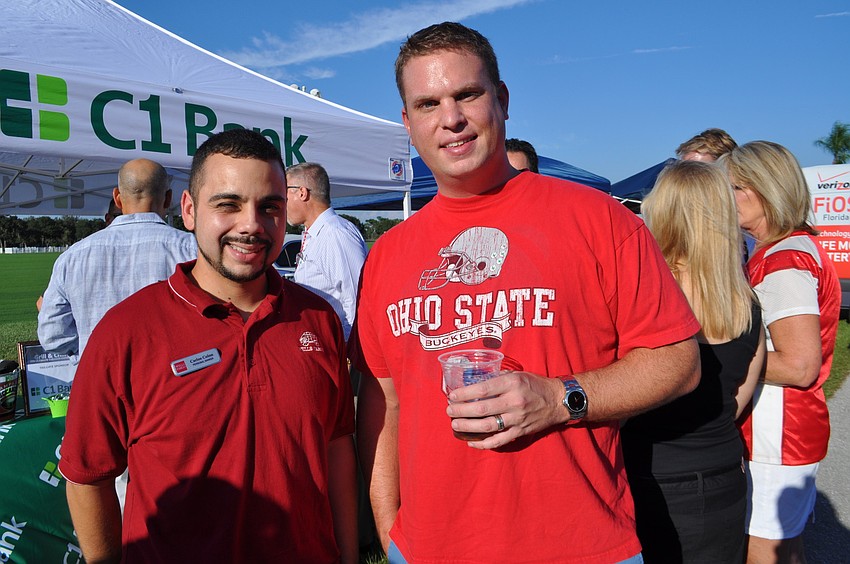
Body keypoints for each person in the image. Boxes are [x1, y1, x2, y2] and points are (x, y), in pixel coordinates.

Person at [351, 22, 701, 563]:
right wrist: (391, 527)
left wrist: (561, 399)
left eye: (467, 94)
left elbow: (679, 361)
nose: (451, 119)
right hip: (428, 549)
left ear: (503, 100)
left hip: (581, 546)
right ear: (408, 122)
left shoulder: (599, 220)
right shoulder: (388, 256)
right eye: (428, 104)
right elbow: (384, 401)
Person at [58, 129, 358, 563]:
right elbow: (87, 476)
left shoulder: (318, 319)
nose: (251, 225)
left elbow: (336, 448)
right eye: (228, 204)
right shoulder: (125, 331)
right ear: (189, 210)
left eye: (269, 207)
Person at [620, 160, 766, 563]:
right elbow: (738, 397)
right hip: (722, 472)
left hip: (649, 474)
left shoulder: (645, 296)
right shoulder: (746, 302)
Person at [719, 141, 840, 564]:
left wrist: (725, 357)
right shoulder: (785, 250)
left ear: (766, 189)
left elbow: (800, 364)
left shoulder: (785, 259)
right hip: (784, 430)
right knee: (785, 548)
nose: (725, 199)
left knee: (763, 551)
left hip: (778, 432)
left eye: (733, 188)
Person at [37, 158, 195, 362]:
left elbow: (53, 336)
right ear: (168, 199)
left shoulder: (72, 257)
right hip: (173, 380)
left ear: (117, 199)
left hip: (99, 378)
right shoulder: (192, 249)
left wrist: (93, 348)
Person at [286, 162, 368, 342]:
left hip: (342, 352)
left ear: (302, 192)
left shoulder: (335, 234)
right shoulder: (317, 234)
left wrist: (346, 353)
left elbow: (357, 300)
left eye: (284, 194)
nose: (282, 203)